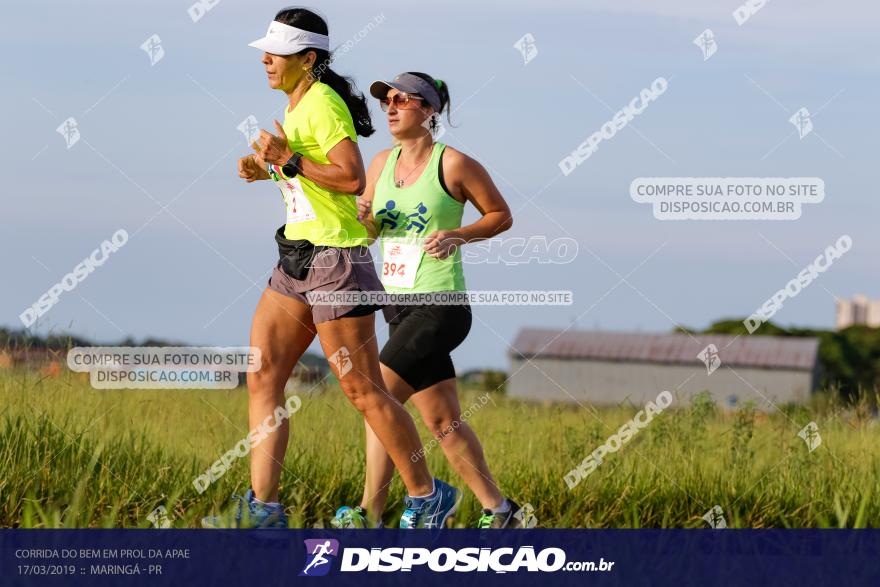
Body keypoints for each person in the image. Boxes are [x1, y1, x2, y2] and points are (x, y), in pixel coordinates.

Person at [202, 9, 459, 530]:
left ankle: (428, 495)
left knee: (363, 391)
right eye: (265, 51)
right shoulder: (297, 107)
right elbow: (305, 178)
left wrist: (288, 160)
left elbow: (348, 178)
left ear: (309, 59)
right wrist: (265, 169)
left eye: (277, 53)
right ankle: (264, 510)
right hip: (294, 259)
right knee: (263, 374)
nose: (266, 60)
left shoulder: (322, 104)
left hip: (335, 262)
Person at [332, 72, 526, 528]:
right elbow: (372, 231)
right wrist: (365, 220)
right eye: (387, 101)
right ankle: (501, 512)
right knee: (443, 423)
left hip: (441, 306)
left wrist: (458, 235)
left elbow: (501, 216)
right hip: (396, 306)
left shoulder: (454, 164)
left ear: (430, 110)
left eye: (403, 99)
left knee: (377, 400)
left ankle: (370, 513)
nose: (392, 107)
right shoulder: (380, 164)